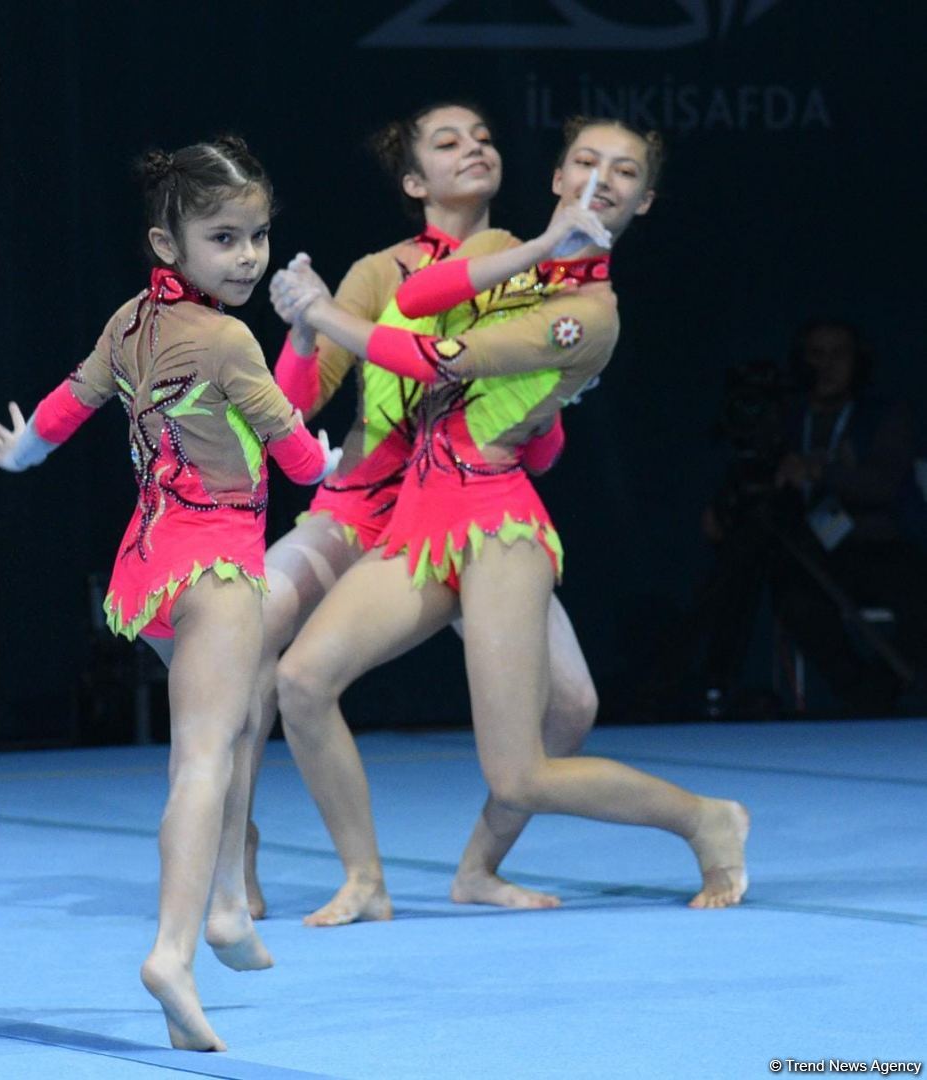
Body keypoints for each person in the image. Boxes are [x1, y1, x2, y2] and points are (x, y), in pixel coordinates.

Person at [270, 117, 750, 926]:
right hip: (420, 522)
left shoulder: (590, 313)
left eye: (625, 173)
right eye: (587, 162)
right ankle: (365, 881)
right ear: (558, 178)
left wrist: (321, 312)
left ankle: (706, 818)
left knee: (520, 773)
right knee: (301, 681)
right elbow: (420, 294)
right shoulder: (512, 262)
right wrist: (536, 248)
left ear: (644, 202)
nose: (603, 179)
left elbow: (428, 354)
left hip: (495, 527)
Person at [0, 137, 338, 1051]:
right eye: (224, 238)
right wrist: (327, 462)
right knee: (202, 760)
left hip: (144, 571)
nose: (249, 256)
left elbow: (69, 401)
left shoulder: (129, 322)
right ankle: (173, 951)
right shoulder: (227, 337)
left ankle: (224, 906)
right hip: (215, 568)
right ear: (167, 244)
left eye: (258, 235)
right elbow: (292, 450)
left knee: (243, 711)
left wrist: (26, 451)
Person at [249, 101, 592, 919]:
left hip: (473, 513)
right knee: (243, 648)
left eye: (484, 136)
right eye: (448, 143)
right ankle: (241, 853)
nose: (473, 148)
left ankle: (480, 866)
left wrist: (540, 423)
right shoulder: (380, 272)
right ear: (414, 180)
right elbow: (296, 407)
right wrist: (303, 329)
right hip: (363, 513)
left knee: (573, 707)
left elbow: (540, 446)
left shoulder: (535, 268)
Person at [697, 320, 926, 715]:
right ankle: (861, 696)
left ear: (859, 360)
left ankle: (890, 690)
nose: (827, 366)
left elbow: (882, 484)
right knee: (795, 600)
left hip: (877, 544)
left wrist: (821, 470)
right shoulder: (785, 417)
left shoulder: (884, 414)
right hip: (807, 548)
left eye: (838, 354)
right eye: (816, 355)